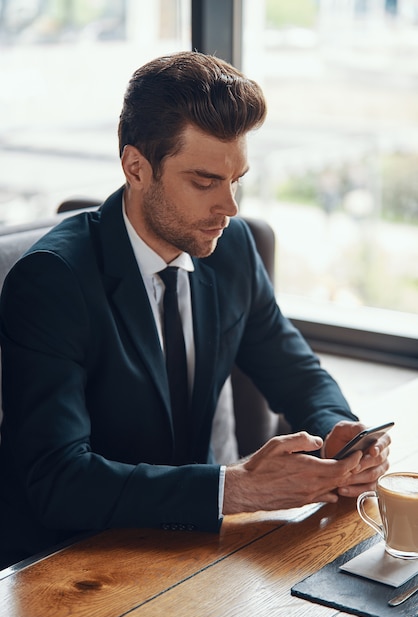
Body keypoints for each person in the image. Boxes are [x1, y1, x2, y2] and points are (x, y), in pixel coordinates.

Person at [0, 51, 390, 569]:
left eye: (237, 181)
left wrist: (344, 435)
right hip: (73, 558)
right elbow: (57, 482)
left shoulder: (231, 246)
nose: (229, 207)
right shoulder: (52, 280)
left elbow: (293, 367)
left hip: (197, 547)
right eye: (204, 182)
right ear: (136, 167)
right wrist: (238, 489)